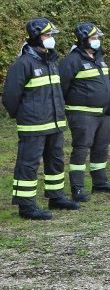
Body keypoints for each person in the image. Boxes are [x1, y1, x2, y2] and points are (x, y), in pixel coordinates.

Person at [3, 18, 75, 220]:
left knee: (56, 161)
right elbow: (10, 97)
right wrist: (24, 114)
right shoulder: (23, 63)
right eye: (47, 35)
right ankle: (26, 206)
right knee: (28, 164)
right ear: (35, 37)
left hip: (55, 123)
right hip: (33, 125)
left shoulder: (51, 61)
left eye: (51, 35)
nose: (51, 39)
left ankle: (56, 196)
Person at [59, 23, 110, 201]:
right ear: (83, 39)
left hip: (103, 113)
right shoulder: (72, 60)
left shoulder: (99, 58)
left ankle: (100, 183)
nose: (97, 41)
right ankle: (77, 188)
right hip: (81, 114)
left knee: (101, 146)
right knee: (81, 148)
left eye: (98, 38)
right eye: (94, 38)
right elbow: (61, 87)